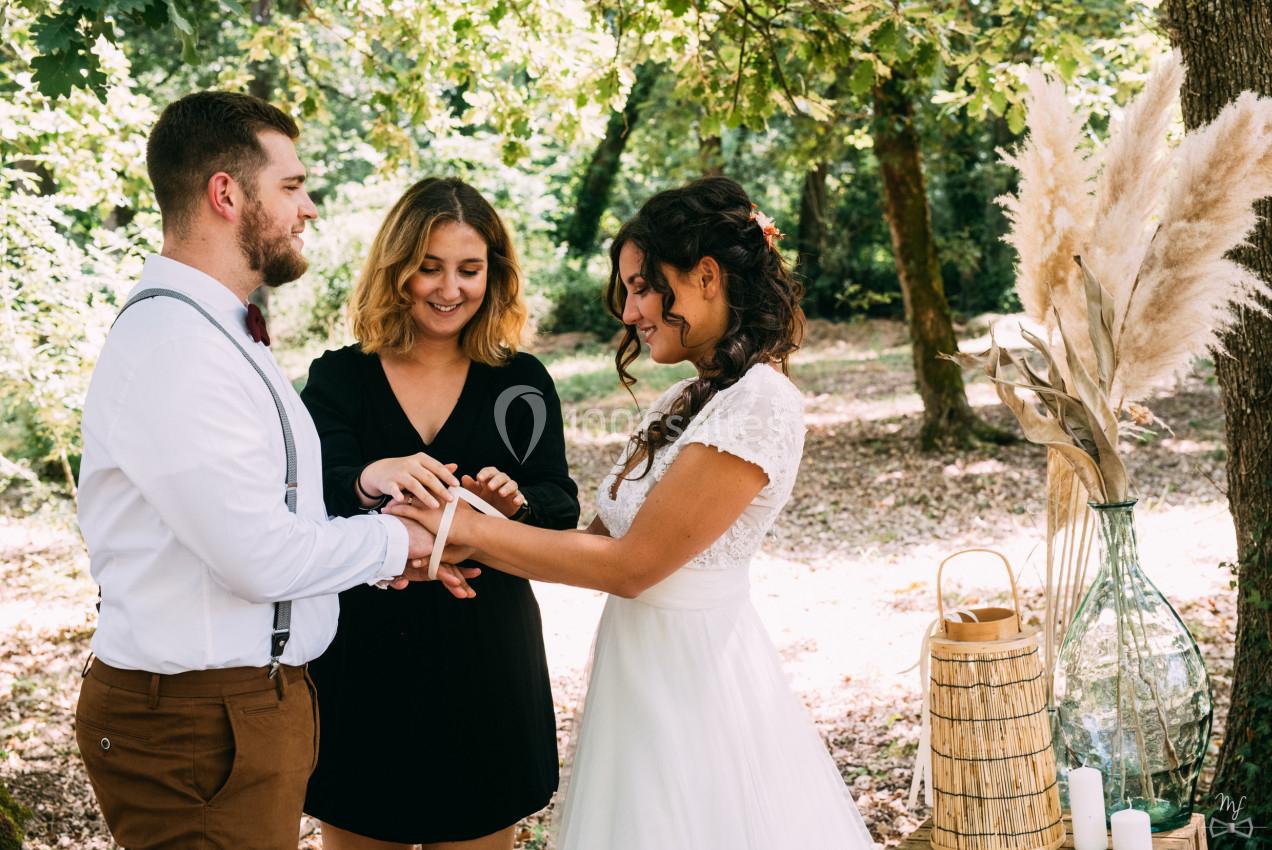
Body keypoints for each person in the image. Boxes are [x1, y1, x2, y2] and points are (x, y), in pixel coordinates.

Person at [388, 177, 879, 850]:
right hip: (636, 671)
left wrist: (456, 526)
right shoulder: (683, 400)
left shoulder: (760, 403)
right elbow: (595, 539)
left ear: (706, 276)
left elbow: (631, 566)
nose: (630, 311)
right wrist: (471, 535)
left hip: (697, 680)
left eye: (644, 287)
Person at [74, 91, 476, 850]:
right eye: (291, 186)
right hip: (196, 727)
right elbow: (259, 556)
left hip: (241, 713)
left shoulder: (218, 329)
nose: (311, 207)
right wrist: (404, 544)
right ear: (226, 194)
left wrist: (371, 535)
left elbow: (276, 518)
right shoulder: (176, 348)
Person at [300, 177, 579, 850]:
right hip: (362, 661)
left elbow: (559, 502)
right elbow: (314, 494)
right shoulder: (339, 378)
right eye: (428, 267)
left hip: (487, 660)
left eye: (469, 269)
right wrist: (373, 476)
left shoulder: (521, 383)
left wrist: (514, 506)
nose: (448, 287)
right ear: (396, 269)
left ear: (495, 274)